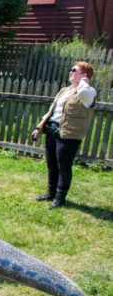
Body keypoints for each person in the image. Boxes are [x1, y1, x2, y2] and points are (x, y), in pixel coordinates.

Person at [31, 61, 97, 209]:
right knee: (51, 164)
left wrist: (84, 82)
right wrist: (39, 127)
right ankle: (51, 193)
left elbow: (83, 93)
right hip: (52, 130)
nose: (70, 72)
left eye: (74, 70)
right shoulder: (64, 90)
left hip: (69, 135)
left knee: (64, 167)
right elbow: (52, 111)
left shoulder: (89, 92)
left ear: (84, 75)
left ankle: (60, 199)